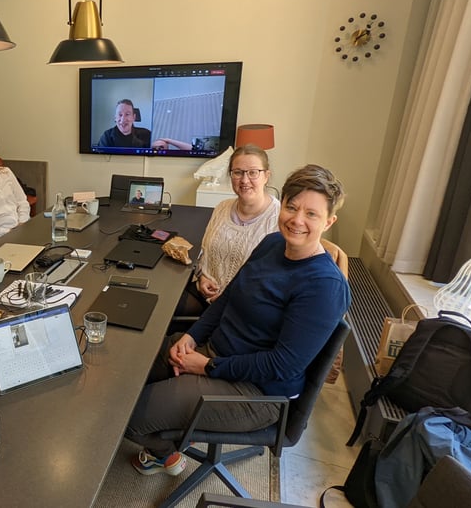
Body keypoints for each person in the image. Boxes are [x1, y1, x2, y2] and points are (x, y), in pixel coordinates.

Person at [125, 164, 349, 476]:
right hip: (214, 351)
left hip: (257, 391)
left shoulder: (324, 286)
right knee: (126, 373)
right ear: (281, 206)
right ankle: (178, 414)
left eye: (311, 214)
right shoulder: (272, 243)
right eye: (292, 207)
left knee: (127, 416)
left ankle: (164, 455)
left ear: (328, 222)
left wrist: (207, 367)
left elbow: (282, 365)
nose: (297, 220)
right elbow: (228, 298)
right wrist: (191, 336)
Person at [177, 145, 280, 318]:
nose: (244, 180)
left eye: (253, 172)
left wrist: (229, 297)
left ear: (266, 176)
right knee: (158, 304)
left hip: (242, 307)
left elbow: (271, 280)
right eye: (238, 172)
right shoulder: (222, 208)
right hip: (203, 292)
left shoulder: (279, 220)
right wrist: (202, 277)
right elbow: (204, 253)